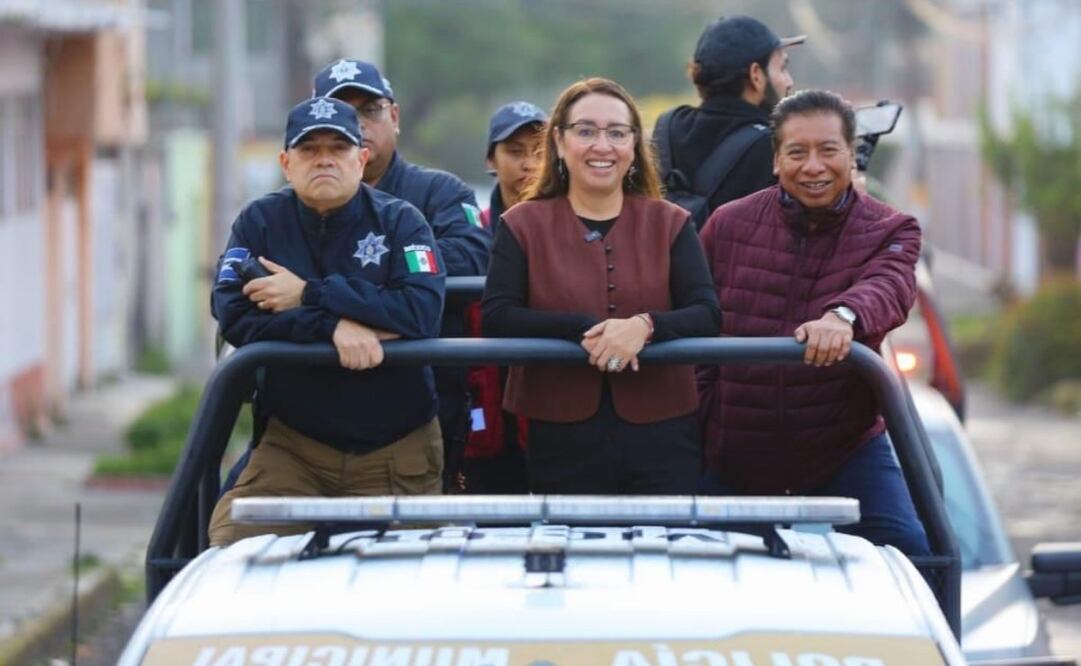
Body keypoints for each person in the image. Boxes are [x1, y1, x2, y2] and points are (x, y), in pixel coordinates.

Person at [696, 90, 930, 556]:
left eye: (828, 150)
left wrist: (843, 316)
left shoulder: (891, 228)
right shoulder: (728, 224)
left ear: (851, 154)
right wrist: (706, 412)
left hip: (841, 446)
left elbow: (890, 287)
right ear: (776, 161)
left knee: (916, 554)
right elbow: (692, 311)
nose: (814, 166)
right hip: (733, 449)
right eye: (797, 152)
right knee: (688, 565)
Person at [208, 97, 445, 545]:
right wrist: (330, 327)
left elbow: (421, 312)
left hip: (396, 447)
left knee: (411, 585)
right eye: (309, 149)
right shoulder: (259, 222)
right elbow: (234, 314)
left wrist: (309, 294)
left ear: (361, 159)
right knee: (228, 553)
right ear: (285, 163)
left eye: (337, 149)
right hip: (293, 447)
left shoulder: (402, 222)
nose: (324, 160)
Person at [482, 78, 720, 494]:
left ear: (634, 145)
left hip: (663, 431)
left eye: (617, 133)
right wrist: (584, 330)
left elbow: (706, 311)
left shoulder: (671, 222)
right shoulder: (521, 224)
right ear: (558, 140)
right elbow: (499, 315)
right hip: (559, 434)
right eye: (586, 131)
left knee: (663, 552)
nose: (602, 146)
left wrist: (644, 327)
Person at [312, 58, 490, 490]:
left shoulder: (441, 191)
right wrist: (401, 279)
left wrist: (333, 285)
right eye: (342, 114)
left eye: (369, 111)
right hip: (310, 416)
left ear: (394, 117)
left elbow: (472, 258)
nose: (358, 125)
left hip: (421, 407)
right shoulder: (293, 203)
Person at [463, 101, 547, 493]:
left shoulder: (575, 230)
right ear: (490, 160)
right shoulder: (468, 235)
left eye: (540, 151)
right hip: (485, 415)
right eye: (515, 152)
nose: (528, 164)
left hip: (552, 413)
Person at [654, 15, 803, 227]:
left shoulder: (667, 127)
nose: (789, 81)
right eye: (782, 68)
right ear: (756, 75)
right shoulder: (775, 149)